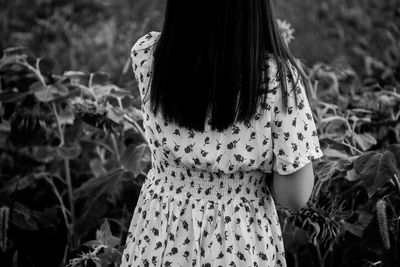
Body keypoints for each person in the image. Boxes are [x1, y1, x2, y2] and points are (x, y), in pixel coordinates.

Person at [120, 0, 323, 266]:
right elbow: (294, 196)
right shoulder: (276, 80)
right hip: (237, 240)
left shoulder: (148, 56)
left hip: (159, 232)